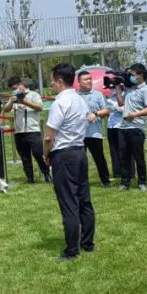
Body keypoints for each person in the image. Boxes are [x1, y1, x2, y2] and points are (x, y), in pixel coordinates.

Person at [43, 63, 97, 260]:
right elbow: (88, 119)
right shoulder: (80, 100)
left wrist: (46, 154)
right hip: (80, 151)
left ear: (59, 81)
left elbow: (49, 136)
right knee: (84, 200)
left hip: (64, 154)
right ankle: (88, 243)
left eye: (52, 80)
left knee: (69, 203)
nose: (51, 84)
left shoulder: (60, 103)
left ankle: (72, 250)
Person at [116, 64, 147, 191]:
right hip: (124, 127)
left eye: (132, 74)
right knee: (124, 157)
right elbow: (120, 103)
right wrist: (117, 87)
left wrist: (135, 114)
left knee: (138, 156)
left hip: (137, 128)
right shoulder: (130, 89)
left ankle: (142, 182)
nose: (130, 77)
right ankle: (125, 182)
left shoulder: (145, 90)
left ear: (140, 75)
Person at [4, 76, 51, 183]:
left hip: (33, 130)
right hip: (19, 131)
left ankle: (46, 173)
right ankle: (30, 178)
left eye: (15, 88)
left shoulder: (34, 95)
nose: (14, 90)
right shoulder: (13, 96)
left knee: (38, 153)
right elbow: (6, 109)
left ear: (21, 85)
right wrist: (12, 101)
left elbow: (40, 107)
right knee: (24, 157)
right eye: (12, 89)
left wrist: (24, 102)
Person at [77, 70, 112, 188]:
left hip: (94, 133)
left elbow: (106, 110)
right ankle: (82, 182)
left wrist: (95, 114)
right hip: (79, 134)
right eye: (85, 79)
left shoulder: (98, 95)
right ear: (79, 82)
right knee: (80, 160)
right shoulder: (75, 96)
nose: (89, 81)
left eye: (90, 79)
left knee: (99, 158)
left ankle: (105, 181)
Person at [107, 90, 124, 181]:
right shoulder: (110, 95)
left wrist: (110, 102)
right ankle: (117, 172)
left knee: (123, 150)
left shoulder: (125, 94)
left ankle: (128, 172)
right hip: (111, 125)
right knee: (113, 150)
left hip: (121, 125)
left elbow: (122, 109)